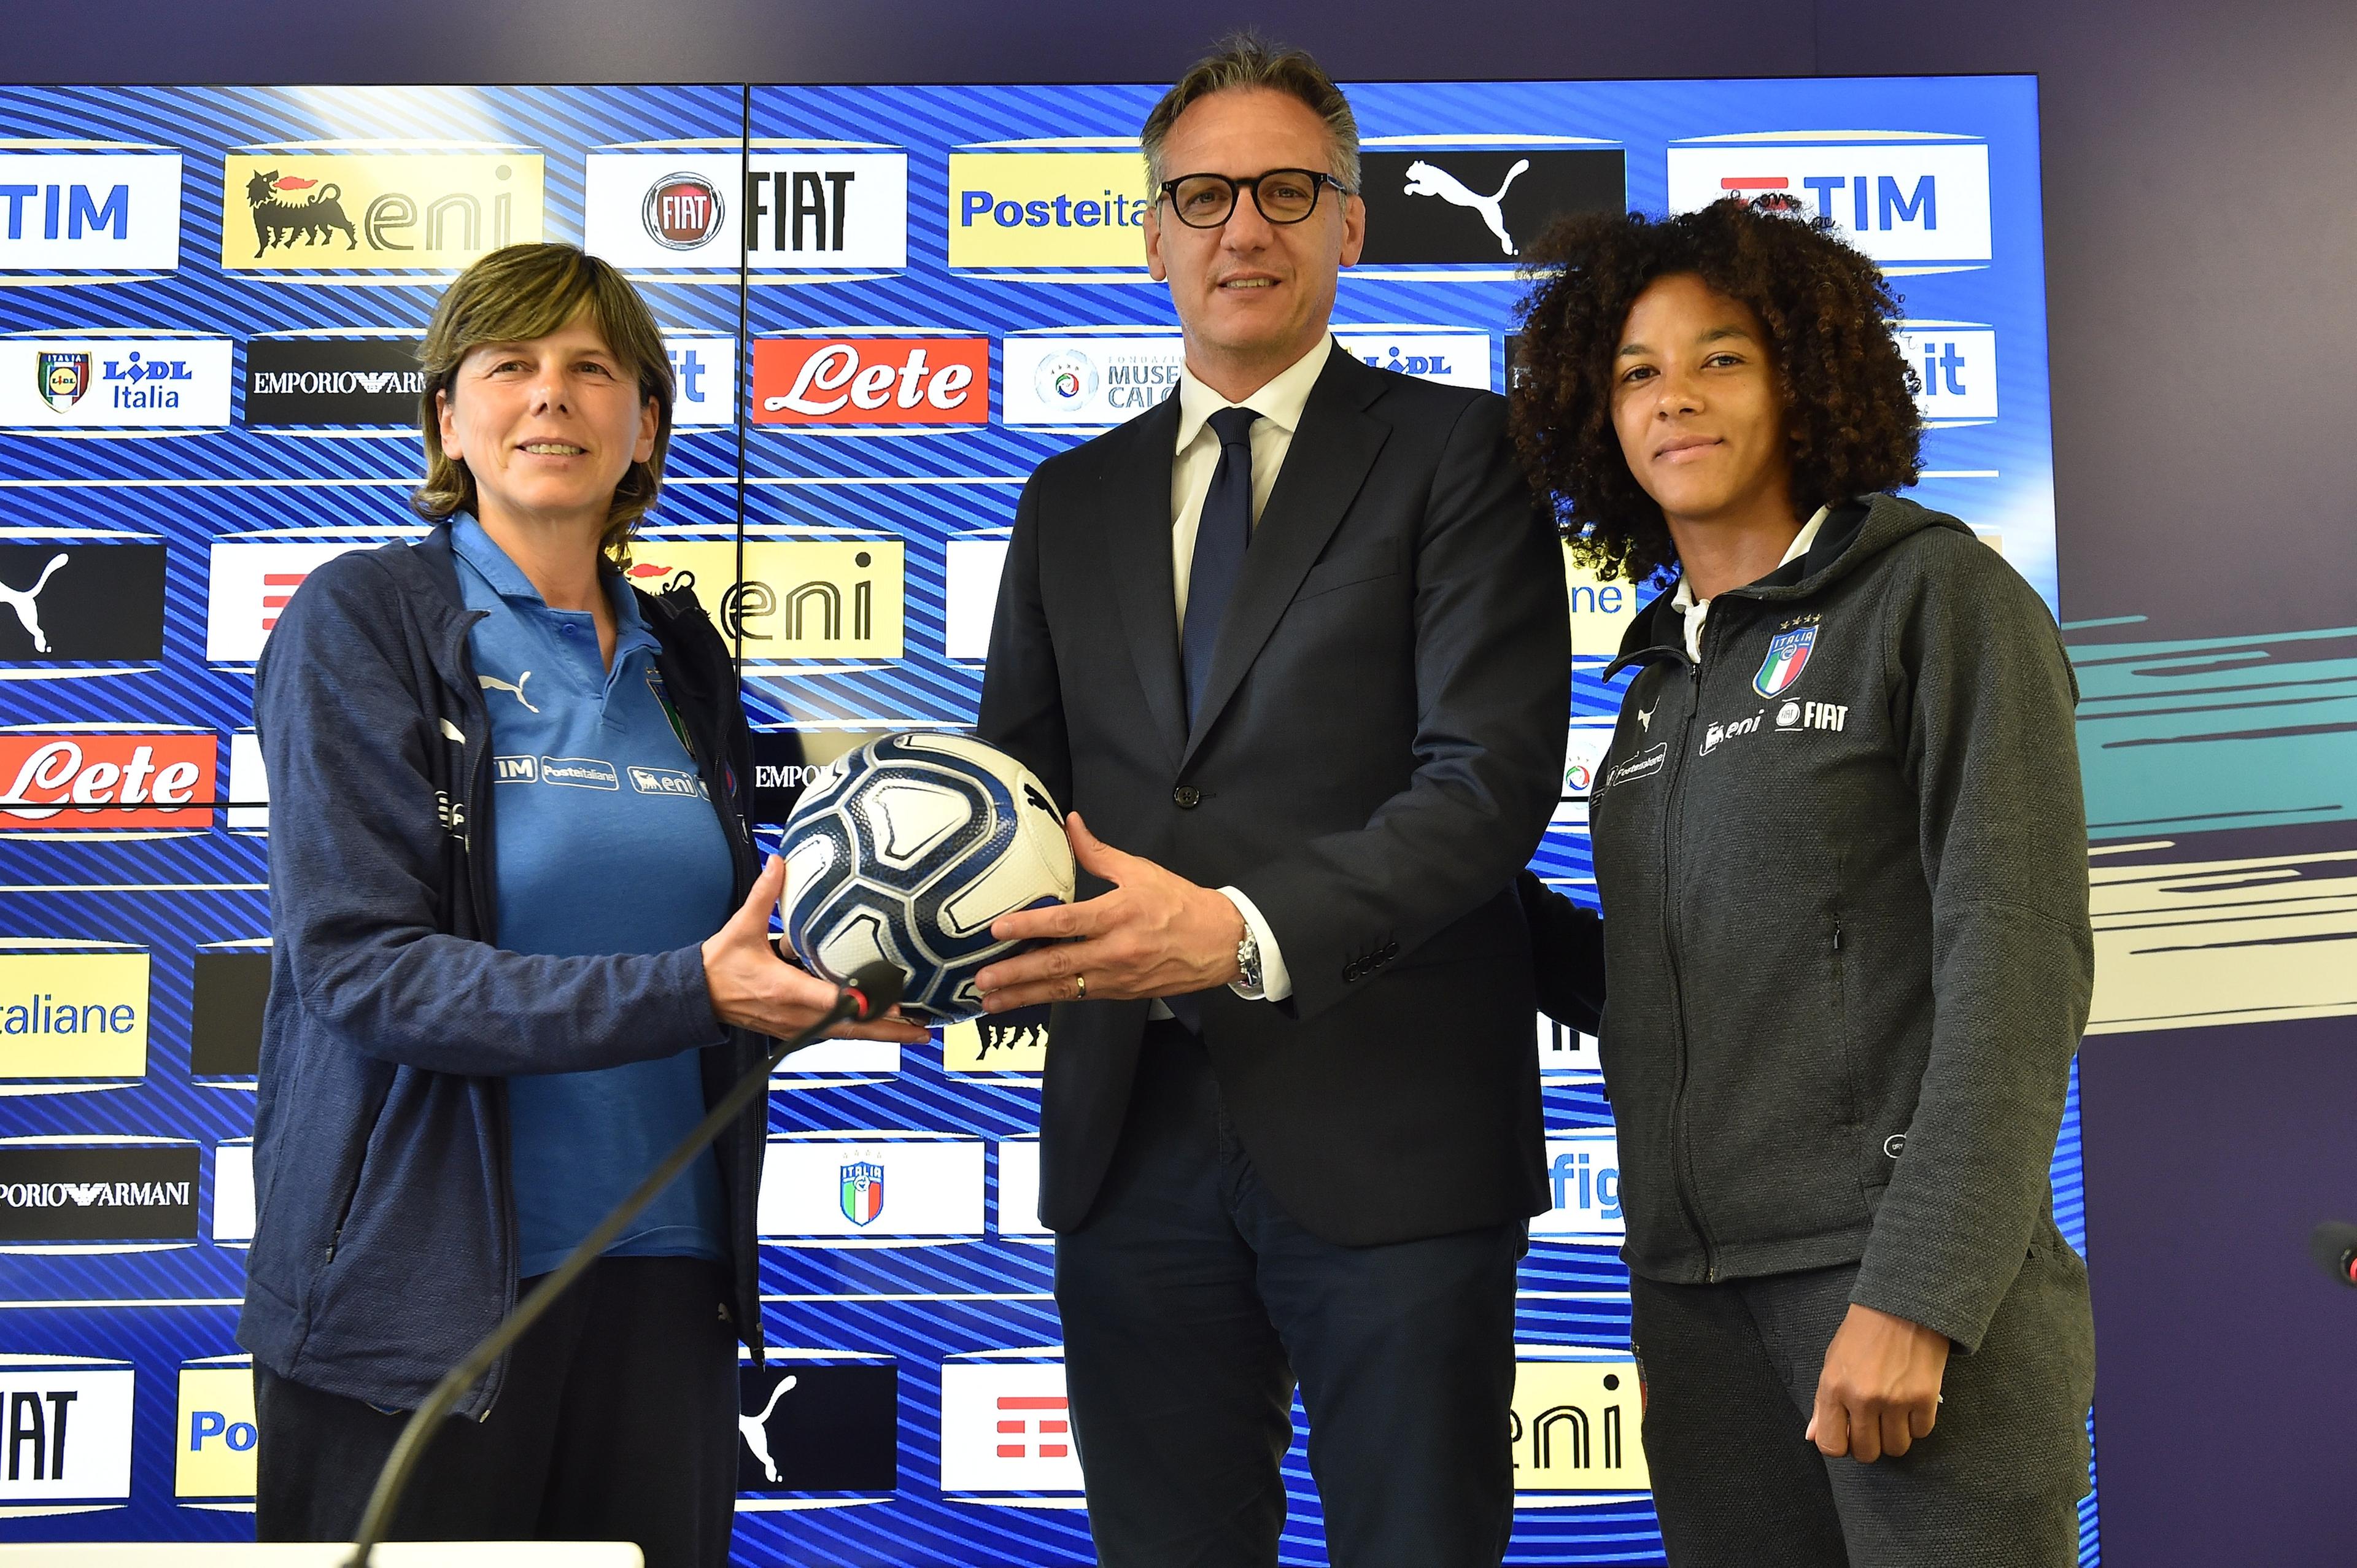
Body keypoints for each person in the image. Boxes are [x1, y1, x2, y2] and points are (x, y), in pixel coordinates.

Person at [974, 34, 1569, 1568]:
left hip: (1393, 1132)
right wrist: (901, 940)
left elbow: (1486, 786)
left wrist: (1236, 932)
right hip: (1129, 1143)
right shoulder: (1066, 502)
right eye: (1206, 195)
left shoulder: (1464, 454)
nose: (1246, 227)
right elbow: (1011, 803)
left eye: (1289, 190)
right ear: (1154, 230)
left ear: (1351, 224)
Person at [239, 242, 923, 1561]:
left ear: (645, 424)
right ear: (450, 415)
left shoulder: (683, 664)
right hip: (419, 1312)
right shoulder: (365, 621)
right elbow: (367, 971)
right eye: (511, 366)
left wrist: (810, 991)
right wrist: (696, 989)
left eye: (591, 368)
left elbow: (703, 957)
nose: (550, 396)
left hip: (664, 1285)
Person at [1509, 198, 2096, 1566]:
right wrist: (1424, 883)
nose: (1675, 401)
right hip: (1700, 1310)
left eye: (1721, 358)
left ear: (1806, 379)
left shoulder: (1936, 600)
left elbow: (2019, 968)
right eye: (1636, 373)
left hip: (1894, 1294)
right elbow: (1678, 987)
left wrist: (1922, 1293)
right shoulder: (1658, 679)